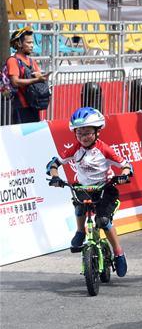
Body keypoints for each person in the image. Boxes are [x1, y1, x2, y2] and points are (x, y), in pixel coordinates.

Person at [46, 107, 132, 276]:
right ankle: (80, 231)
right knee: (79, 208)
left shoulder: (104, 149)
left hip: (104, 189)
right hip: (83, 188)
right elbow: (54, 164)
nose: (83, 137)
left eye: (87, 133)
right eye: (79, 133)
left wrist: (124, 175)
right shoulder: (75, 149)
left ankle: (119, 253)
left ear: (97, 131)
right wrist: (55, 176)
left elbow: (126, 165)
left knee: (103, 220)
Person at [6, 27, 48, 124]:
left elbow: (39, 78)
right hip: (20, 108)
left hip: (33, 106)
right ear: (19, 44)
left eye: (32, 42)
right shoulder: (13, 61)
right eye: (28, 43)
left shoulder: (32, 61)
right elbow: (15, 82)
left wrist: (40, 77)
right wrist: (36, 80)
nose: (32, 45)